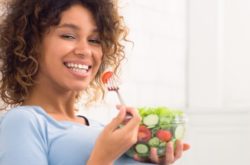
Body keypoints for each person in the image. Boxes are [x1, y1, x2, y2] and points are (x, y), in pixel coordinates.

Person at [0, 0, 190, 165]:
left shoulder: (103, 130)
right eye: (68, 36)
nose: (85, 51)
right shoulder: (23, 122)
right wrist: (102, 158)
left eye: (94, 40)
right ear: (31, 43)